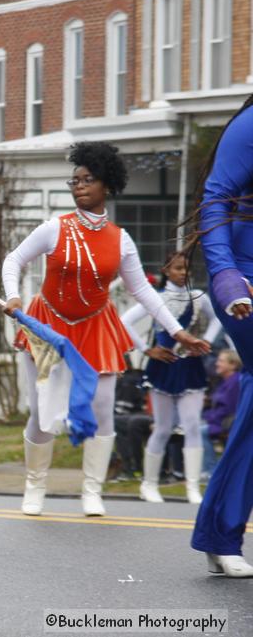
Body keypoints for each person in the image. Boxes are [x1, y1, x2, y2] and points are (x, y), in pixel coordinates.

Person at [2, 142, 209, 517]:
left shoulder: (121, 239)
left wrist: (177, 331)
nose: (79, 186)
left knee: (102, 409)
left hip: (96, 327)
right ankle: (35, 486)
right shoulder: (54, 228)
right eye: (75, 180)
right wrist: (14, 298)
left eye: (88, 179)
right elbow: (14, 259)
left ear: (107, 185)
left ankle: (92, 491)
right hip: (47, 325)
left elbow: (143, 290)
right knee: (41, 410)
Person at [191, 96, 253, 576]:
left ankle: (219, 530)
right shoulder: (250, 126)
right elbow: (214, 198)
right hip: (245, 280)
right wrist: (225, 273)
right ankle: (221, 529)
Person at [120, 252, 222, 504]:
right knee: (163, 427)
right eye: (177, 268)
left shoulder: (199, 297)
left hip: (191, 367)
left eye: (186, 268)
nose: (184, 272)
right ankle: (149, 484)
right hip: (162, 367)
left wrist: (207, 340)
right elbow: (124, 321)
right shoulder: (154, 298)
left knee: (191, 425)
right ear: (166, 270)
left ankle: (192, 487)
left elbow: (217, 319)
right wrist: (146, 349)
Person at [201, 350, 241, 478]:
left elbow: (229, 409)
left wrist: (208, 418)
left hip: (226, 423)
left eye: (221, 361)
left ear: (233, 365)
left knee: (200, 431)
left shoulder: (235, 382)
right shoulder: (225, 381)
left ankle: (211, 470)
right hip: (218, 420)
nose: (217, 364)